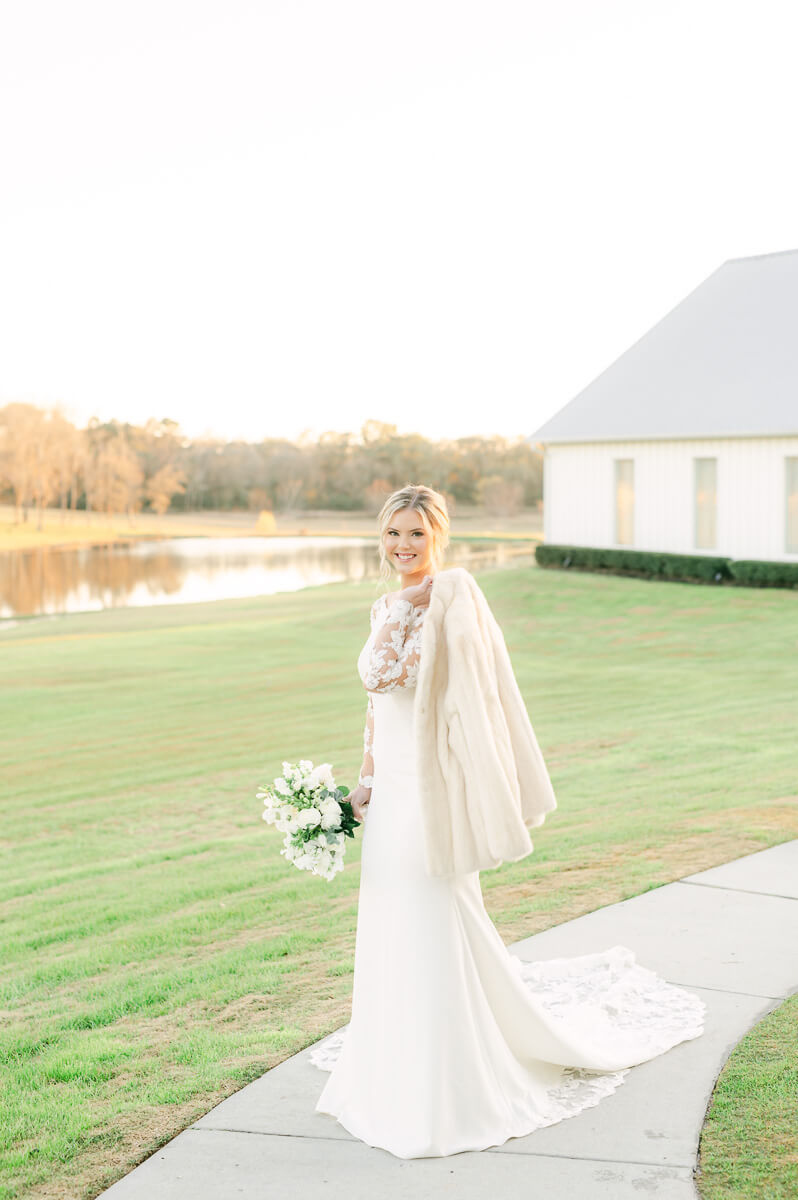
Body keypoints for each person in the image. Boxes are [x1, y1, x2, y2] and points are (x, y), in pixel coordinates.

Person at [311, 483, 706, 1159]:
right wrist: (366, 777)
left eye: (416, 535)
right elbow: (376, 706)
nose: (402, 546)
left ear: (438, 537)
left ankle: (448, 1085)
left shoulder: (448, 599)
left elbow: (438, 690)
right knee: (391, 917)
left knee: (433, 912)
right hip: (391, 793)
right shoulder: (385, 601)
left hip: (431, 793)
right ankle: (391, 1069)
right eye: (392, 534)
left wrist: (414, 607)